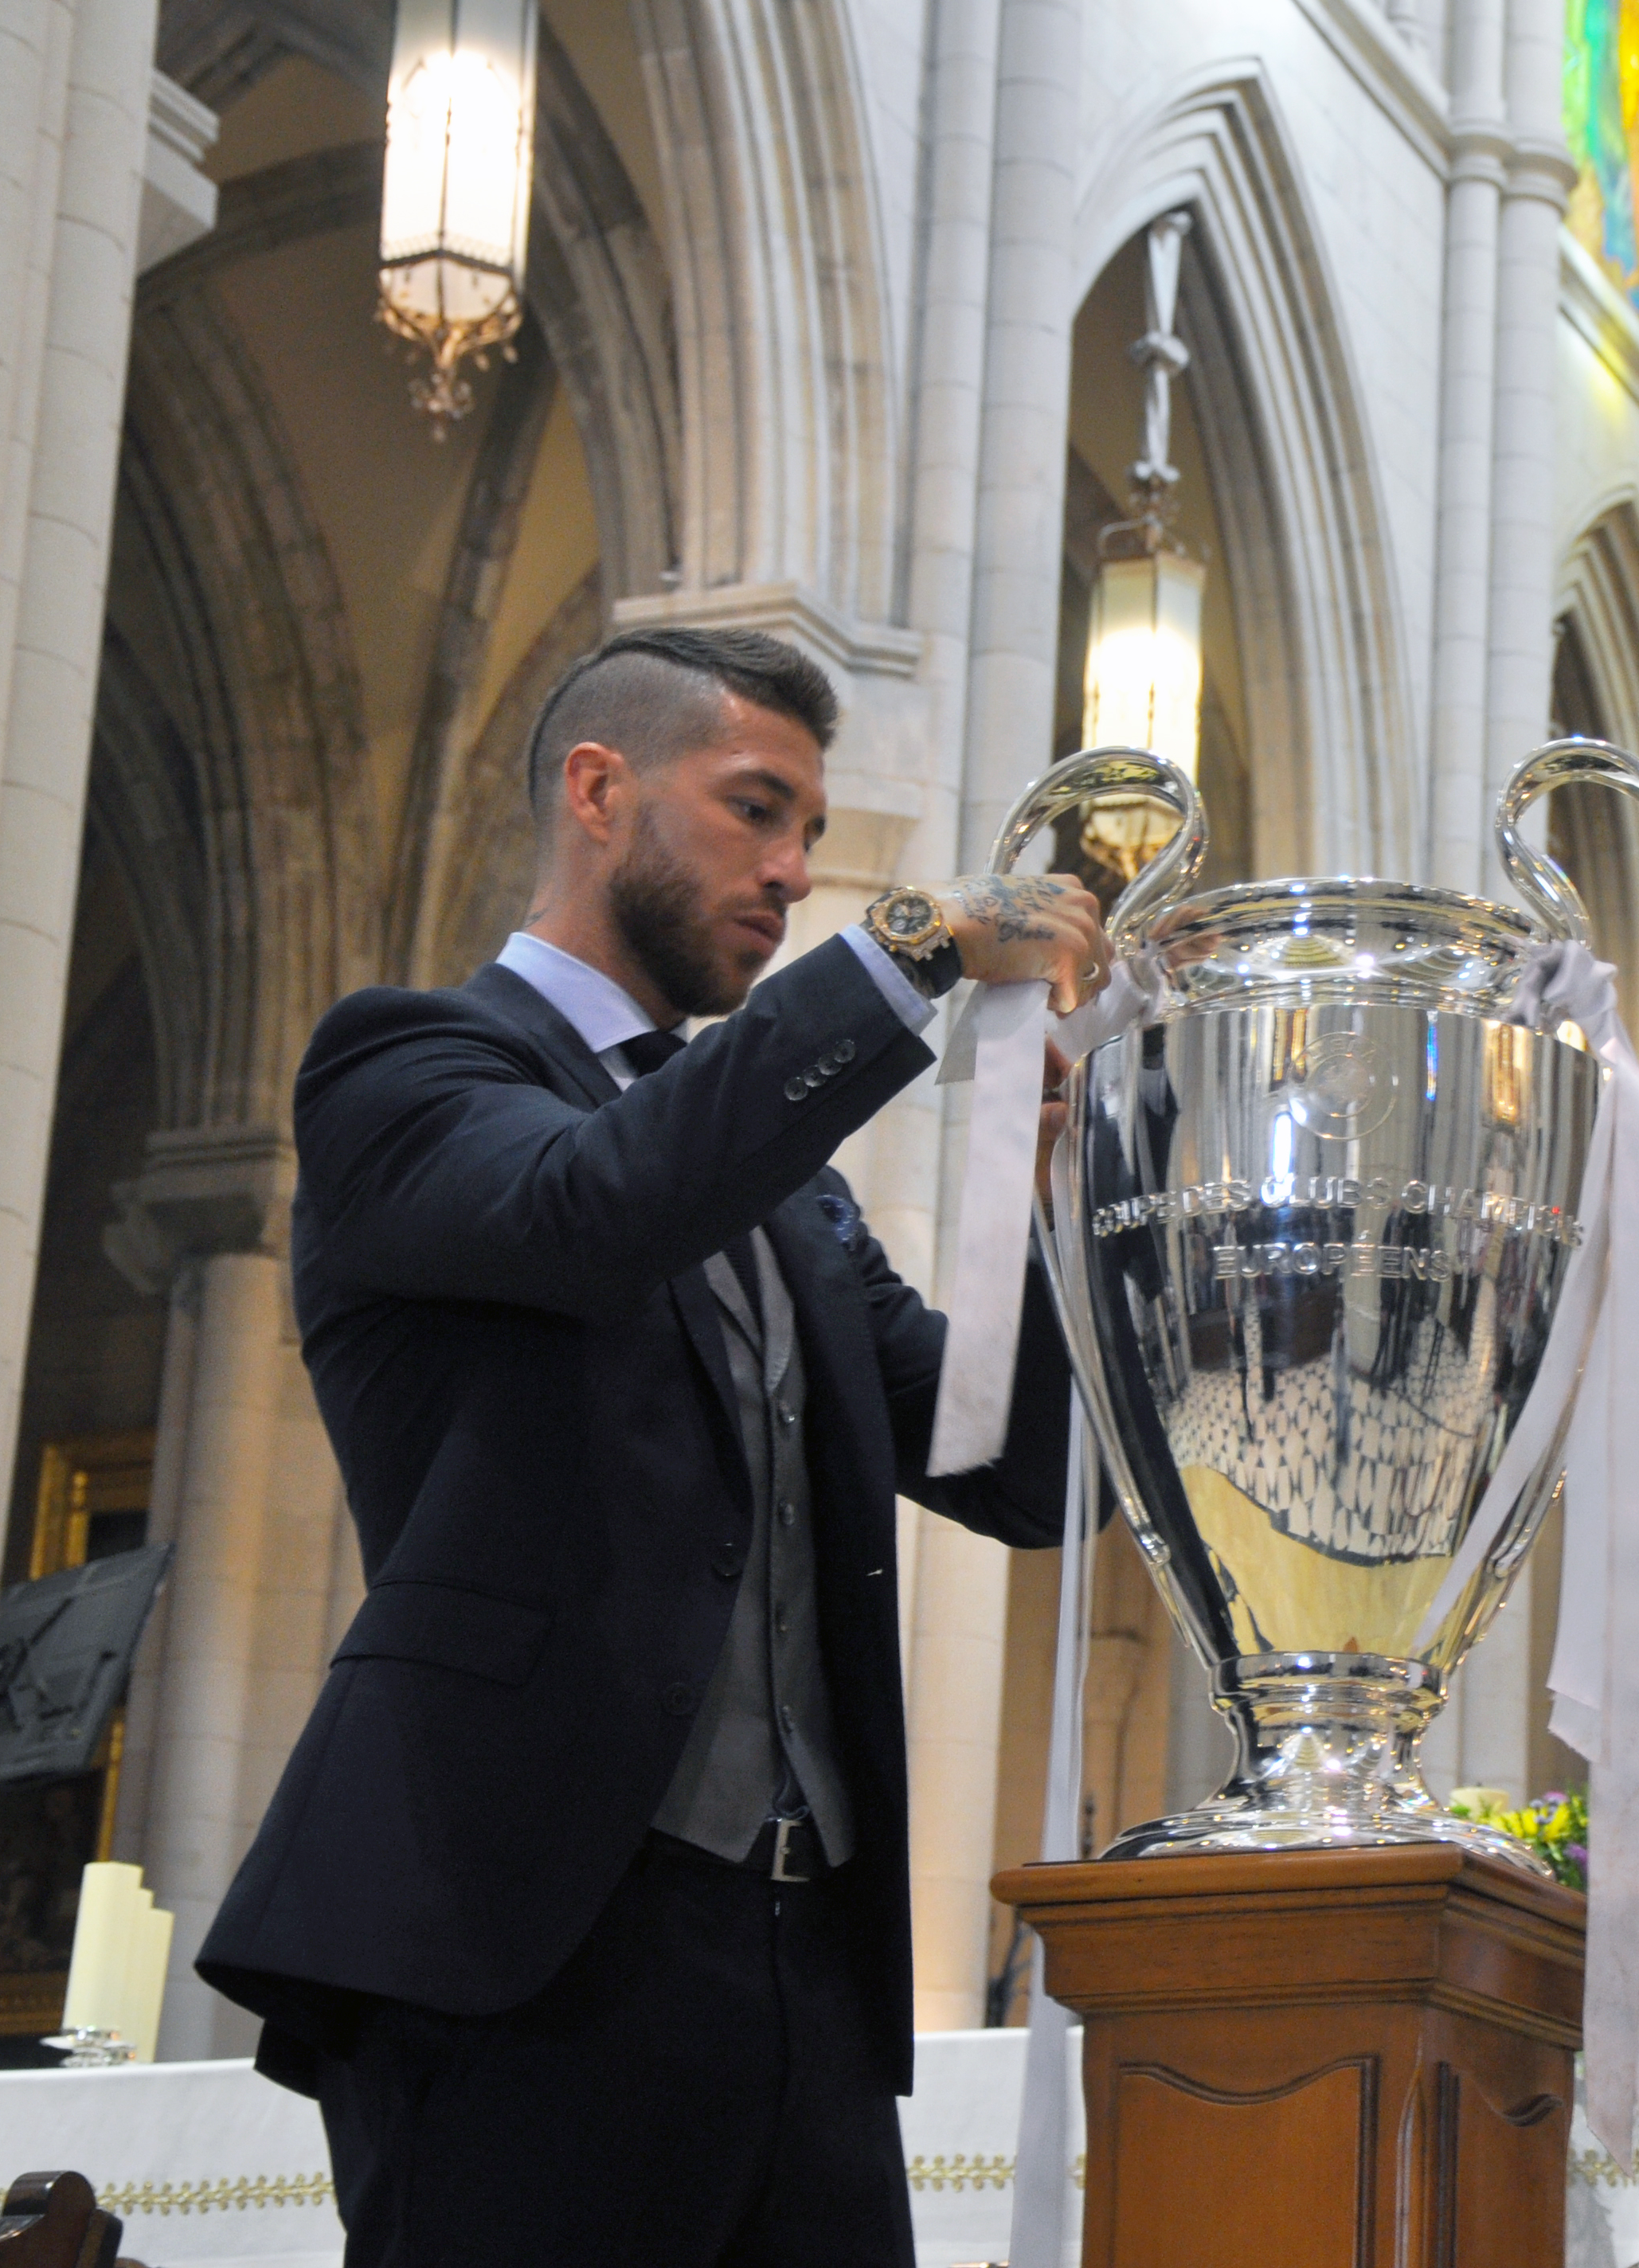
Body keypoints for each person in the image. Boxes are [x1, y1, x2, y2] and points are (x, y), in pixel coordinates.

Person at [194, 626, 1106, 2266]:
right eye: (756, 809)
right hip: (519, 1937)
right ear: (599, 791)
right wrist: (909, 941)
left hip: (800, 1966)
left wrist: (1044, 1215)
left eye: (816, 837)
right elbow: (594, 1204)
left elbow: (1008, 1471)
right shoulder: (404, 1064)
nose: (792, 871)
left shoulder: (785, 1182)